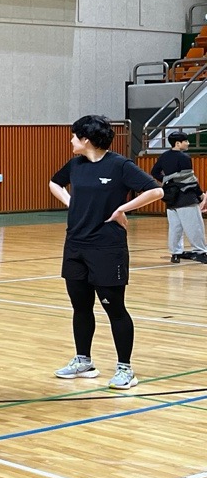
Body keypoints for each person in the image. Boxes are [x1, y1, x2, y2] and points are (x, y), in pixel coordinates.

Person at [48, 115, 163, 390]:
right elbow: (54, 183)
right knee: (80, 306)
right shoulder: (75, 165)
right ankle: (83, 361)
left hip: (107, 247)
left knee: (115, 309)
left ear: (86, 139)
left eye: (74, 136)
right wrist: (71, 202)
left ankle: (125, 368)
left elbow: (156, 191)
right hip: (75, 244)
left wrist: (123, 208)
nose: (71, 140)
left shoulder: (119, 165)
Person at [151, 130, 207, 263]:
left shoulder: (164, 156)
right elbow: (190, 179)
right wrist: (200, 194)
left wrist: (168, 180)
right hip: (186, 196)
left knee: (175, 227)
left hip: (170, 196)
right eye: (185, 141)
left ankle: (175, 253)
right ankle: (200, 251)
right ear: (178, 143)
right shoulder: (184, 157)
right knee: (195, 225)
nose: (188, 143)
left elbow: (154, 172)